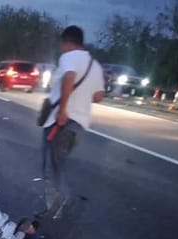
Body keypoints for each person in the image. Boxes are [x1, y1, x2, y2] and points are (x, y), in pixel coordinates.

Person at [40, 25, 104, 218]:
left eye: (62, 44)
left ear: (68, 42)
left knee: (52, 167)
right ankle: (63, 202)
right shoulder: (95, 65)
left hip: (61, 123)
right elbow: (99, 96)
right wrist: (81, 97)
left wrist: (63, 109)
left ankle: (55, 209)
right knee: (61, 164)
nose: (61, 48)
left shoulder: (68, 57)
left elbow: (69, 77)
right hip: (80, 127)